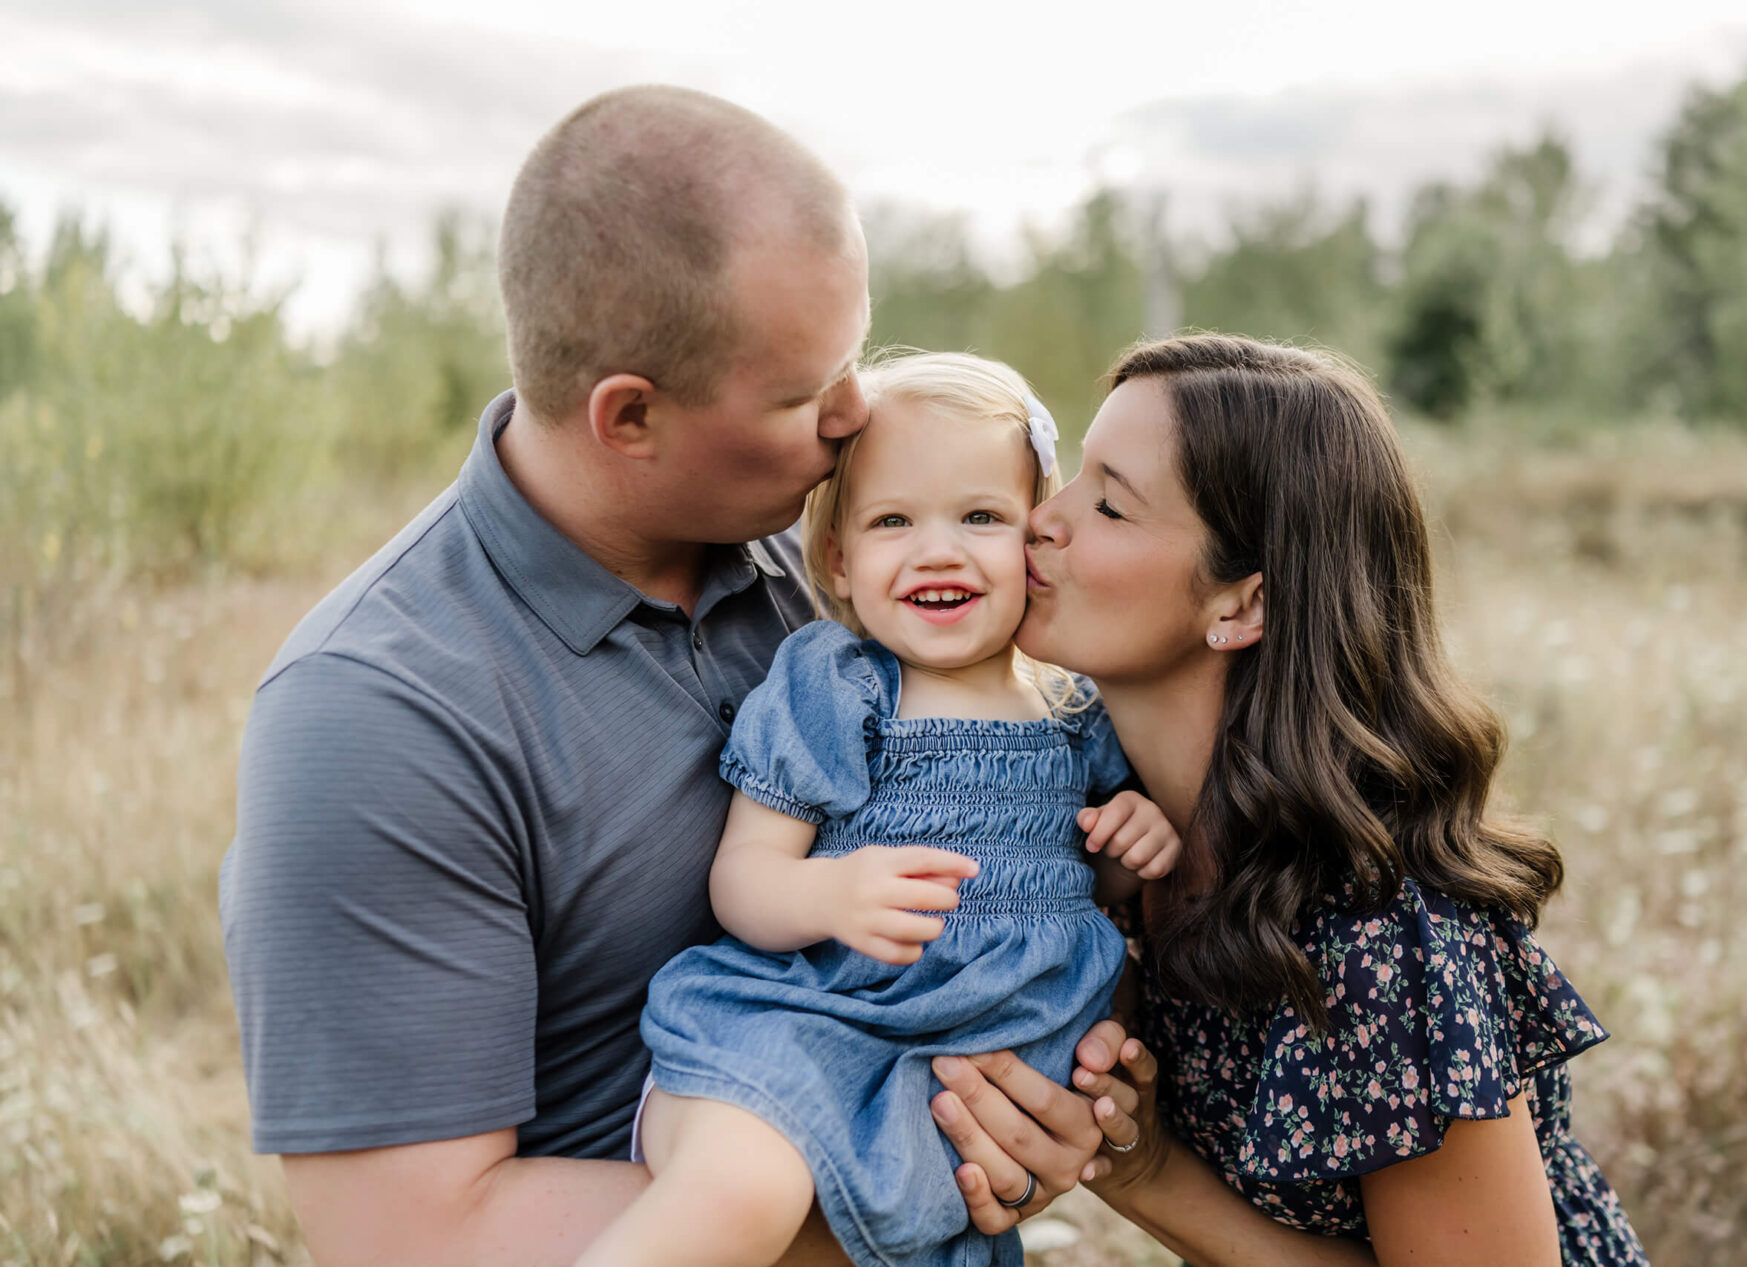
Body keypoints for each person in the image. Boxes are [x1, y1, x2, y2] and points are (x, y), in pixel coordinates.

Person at [218, 88, 1106, 1267]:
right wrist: (911, 1187)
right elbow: (409, 1239)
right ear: (628, 416)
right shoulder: (378, 714)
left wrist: (1061, 1101)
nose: (856, 419)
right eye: (805, 392)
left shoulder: (843, 571)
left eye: (855, 356)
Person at [937, 334, 1649, 1265]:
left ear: (1240, 605)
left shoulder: (1378, 934)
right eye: (1070, 478)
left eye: (1109, 503)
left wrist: (1146, 1171)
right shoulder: (1093, 820)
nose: (1040, 520)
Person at [576, 352, 1182, 1267]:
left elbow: (1085, 878)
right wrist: (828, 896)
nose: (938, 549)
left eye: (981, 516)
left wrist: (1131, 843)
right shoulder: (843, 687)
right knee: (743, 1192)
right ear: (840, 559)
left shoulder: (1073, 708)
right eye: (894, 520)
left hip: (965, 1066)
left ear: (1037, 540)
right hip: (816, 1025)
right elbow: (744, 877)